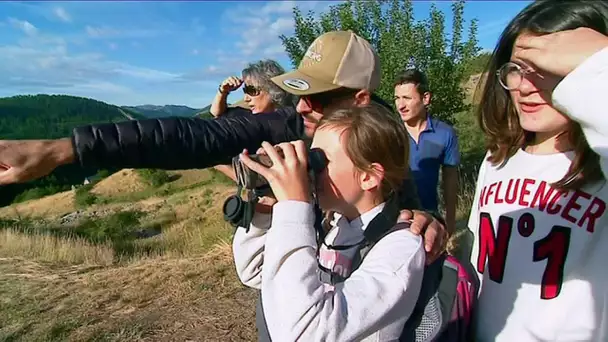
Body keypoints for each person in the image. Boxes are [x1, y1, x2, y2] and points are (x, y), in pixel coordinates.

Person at [0, 30, 448, 261]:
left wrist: (428, 219)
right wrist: (64, 149)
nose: (304, 105)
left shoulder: (388, 136)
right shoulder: (290, 120)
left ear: (361, 100)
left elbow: (406, 198)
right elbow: (193, 137)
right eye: (301, 90)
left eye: (320, 96)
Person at [469, 1, 608, 340]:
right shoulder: (495, 160)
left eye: (548, 68)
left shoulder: (601, 167)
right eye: (517, 68)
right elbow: (476, 262)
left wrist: (600, 62)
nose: (525, 87)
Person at [235, 103, 425, 341]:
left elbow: (306, 333)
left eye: (320, 161)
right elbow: (255, 270)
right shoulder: (336, 226)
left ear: (368, 177)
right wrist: (268, 207)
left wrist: (294, 206)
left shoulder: (400, 249)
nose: (309, 170)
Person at [394, 69, 460, 234]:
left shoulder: (445, 134)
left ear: (425, 98)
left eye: (407, 98)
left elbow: (450, 182)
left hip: (431, 220)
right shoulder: (390, 134)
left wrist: (450, 224)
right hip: (396, 221)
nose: (400, 105)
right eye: (397, 98)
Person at [210, 59, 295, 117]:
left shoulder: (294, 122)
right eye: (245, 90)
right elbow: (216, 113)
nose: (246, 98)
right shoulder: (247, 117)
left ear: (273, 89)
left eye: (251, 90)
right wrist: (223, 91)